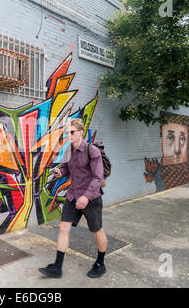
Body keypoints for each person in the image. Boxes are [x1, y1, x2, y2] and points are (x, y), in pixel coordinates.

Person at [38, 119, 108, 279]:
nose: (69, 135)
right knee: (64, 227)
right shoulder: (68, 151)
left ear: (80, 133)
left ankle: (100, 263)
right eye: (67, 132)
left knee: (97, 230)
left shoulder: (92, 151)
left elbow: (98, 178)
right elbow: (65, 168)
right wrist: (60, 172)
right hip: (72, 195)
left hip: (91, 197)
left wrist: (86, 196)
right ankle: (57, 267)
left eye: (72, 132)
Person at [144, 112, 189, 191]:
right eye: (170, 138)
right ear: (161, 142)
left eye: (182, 139)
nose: (177, 150)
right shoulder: (156, 171)